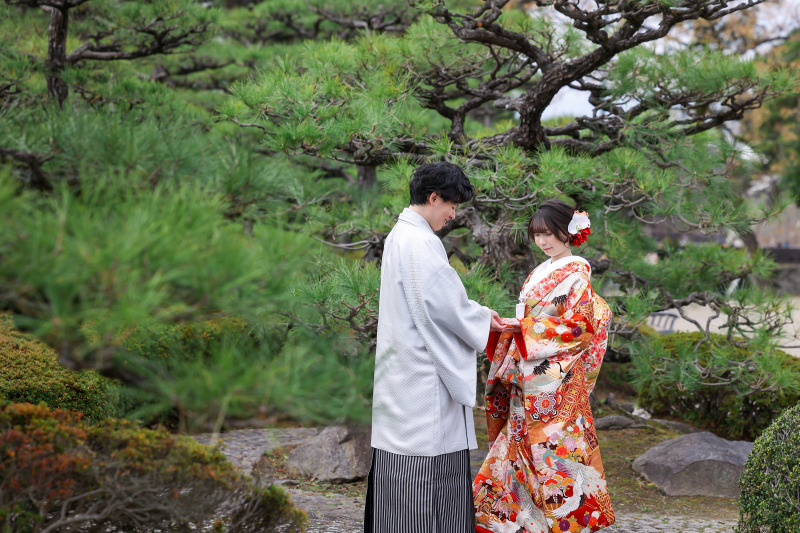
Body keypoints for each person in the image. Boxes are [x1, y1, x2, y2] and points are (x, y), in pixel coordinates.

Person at [365, 161, 506, 533]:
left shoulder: (400, 234)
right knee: (428, 474)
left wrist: (474, 314)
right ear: (433, 198)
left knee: (402, 468)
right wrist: (483, 318)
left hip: (403, 367)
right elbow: (444, 306)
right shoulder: (421, 241)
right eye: (452, 205)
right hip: (423, 374)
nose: (453, 215)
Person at [473, 199, 615, 533]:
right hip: (530, 368)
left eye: (550, 234)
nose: (543, 241)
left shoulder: (577, 274)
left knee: (554, 449)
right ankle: (519, 518)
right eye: (538, 235)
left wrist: (523, 329)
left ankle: (563, 520)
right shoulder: (541, 271)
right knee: (521, 442)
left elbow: (578, 328)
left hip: (555, 379)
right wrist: (518, 328)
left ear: (569, 233)